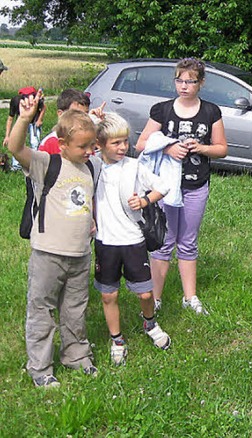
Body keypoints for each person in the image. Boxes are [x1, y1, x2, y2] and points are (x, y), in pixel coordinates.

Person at [8, 91, 101, 388]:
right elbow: (14, 147)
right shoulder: (47, 163)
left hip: (80, 253)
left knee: (75, 308)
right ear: (62, 144)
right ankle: (39, 366)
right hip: (48, 253)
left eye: (92, 145)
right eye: (83, 146)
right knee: (42, 309)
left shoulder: (91, 166)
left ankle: (75, 355)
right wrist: (24, 118)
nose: (90, 150)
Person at [135, 57, 228, 315]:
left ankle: (190, 297)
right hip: (164, 187)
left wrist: (202, 148)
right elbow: (141, 144)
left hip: (196, 185)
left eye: (190, 81)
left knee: (188, 242)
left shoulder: (211, 112)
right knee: (164, 240)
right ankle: (155, 298)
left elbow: (221, 149)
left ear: (201, 83)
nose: (184, 86)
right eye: (179, 80)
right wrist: (168, 147)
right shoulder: (162, 110)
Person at [94, 113, 172, 366]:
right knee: (109, 295)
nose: (122, 147)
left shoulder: (134, 166)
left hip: (133, 240)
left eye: (125, 141)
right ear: (101, 144)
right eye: (115, 143)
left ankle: (150, 323)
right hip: (105, 242)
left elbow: (163, 186)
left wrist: (145, 200)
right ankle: (117, 339)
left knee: (146, 294)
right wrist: (93, 118)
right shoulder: (92, 165)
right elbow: (72, 132)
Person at [39, 89, 105, 155]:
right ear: (60, 114)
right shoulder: (50, 143)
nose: (82, 119)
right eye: (76, 114)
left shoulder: (87, 137)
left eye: (86, 114)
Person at [5, 87, 47, 170]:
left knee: (35, 142)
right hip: (21, 121)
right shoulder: (16, 101)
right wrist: (7, 135)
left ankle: (35, 164)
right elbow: (10, 118)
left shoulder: (37, 100)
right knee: (17, 142)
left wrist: (40, 119)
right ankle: (16, 166)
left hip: (34, 122)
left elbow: (43, 108)